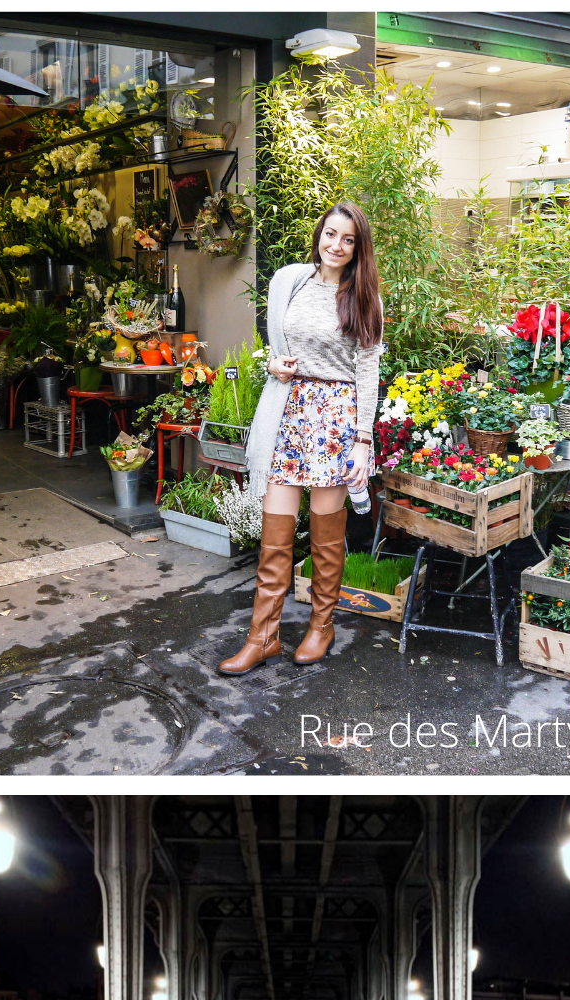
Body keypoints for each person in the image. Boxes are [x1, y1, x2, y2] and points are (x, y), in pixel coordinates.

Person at [221, 201, 385, 674]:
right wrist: (273, 364)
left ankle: (321, 625)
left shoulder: (364, 297)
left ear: (358, 248)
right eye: (330, 234)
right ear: (319, 235)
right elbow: (277, 347)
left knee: (323, 530)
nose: (335, 245)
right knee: (275, 529)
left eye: (347, 239)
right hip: (290, 415)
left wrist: (362, 439)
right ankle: (263, 636)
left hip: (336, 419)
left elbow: (368, 371)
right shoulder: (291, 282)